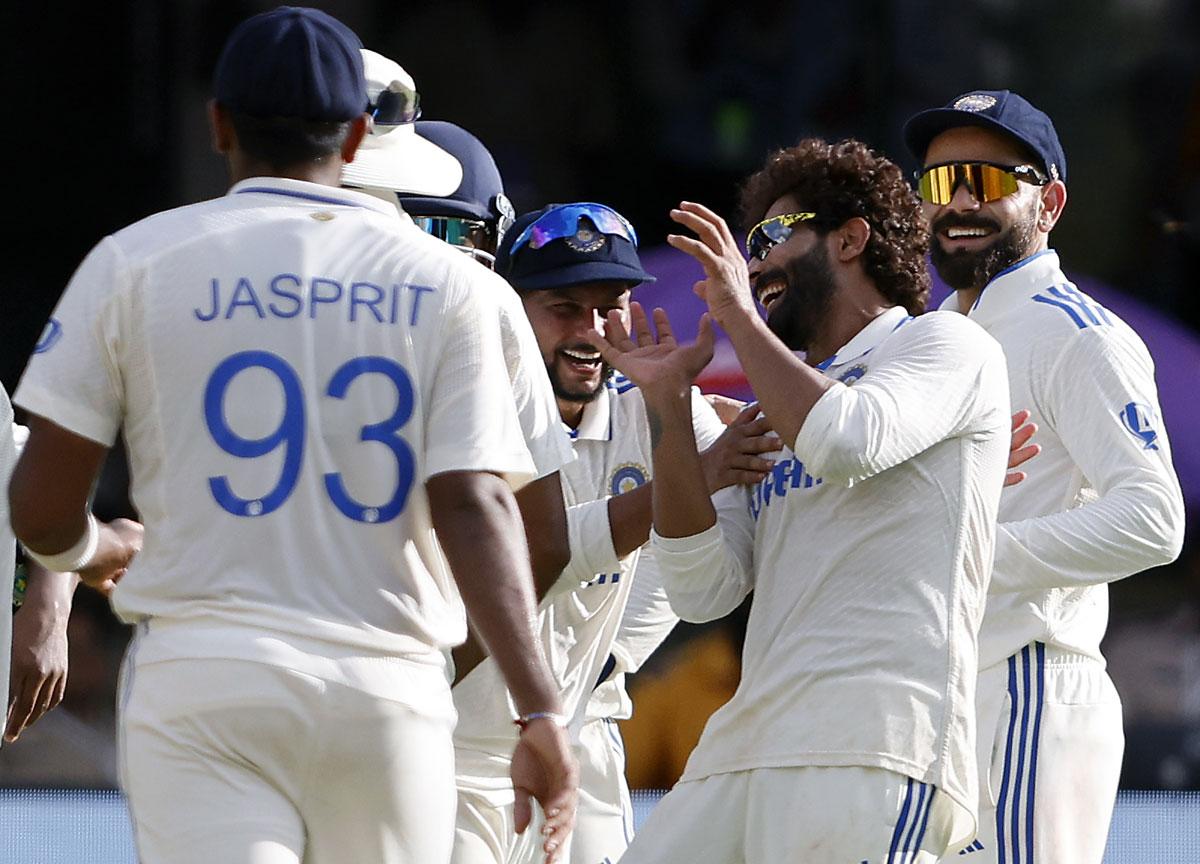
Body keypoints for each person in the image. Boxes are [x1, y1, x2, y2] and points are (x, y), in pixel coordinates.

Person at [7, 8, 577, 864]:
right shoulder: (452, 285)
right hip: (388, 687)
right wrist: (539, 709)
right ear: (356, 135)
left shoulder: (133, 260)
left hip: (204, 678)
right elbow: (477, 503)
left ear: (218, 124)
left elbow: (41, 509)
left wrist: (91, 548)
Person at [588, 137, 1013, 863]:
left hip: (874, 745)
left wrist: (733, 311)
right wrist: (667, 408)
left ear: (852, 238)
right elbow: (702, 589)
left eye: (774, 236)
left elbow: (848, 439)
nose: (752, 264)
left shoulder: (946, 345)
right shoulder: (778, 406)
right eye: (749, 247)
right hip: (745, 742)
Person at [903, 89, 1186, 863]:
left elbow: (1154, 520)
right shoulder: (936, 338)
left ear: (1049, 201)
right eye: (939, 183)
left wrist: (971, 550)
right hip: (939, 704)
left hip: (1029, 685)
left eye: (989, 181)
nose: (959, 200)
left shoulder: (1077, 333)